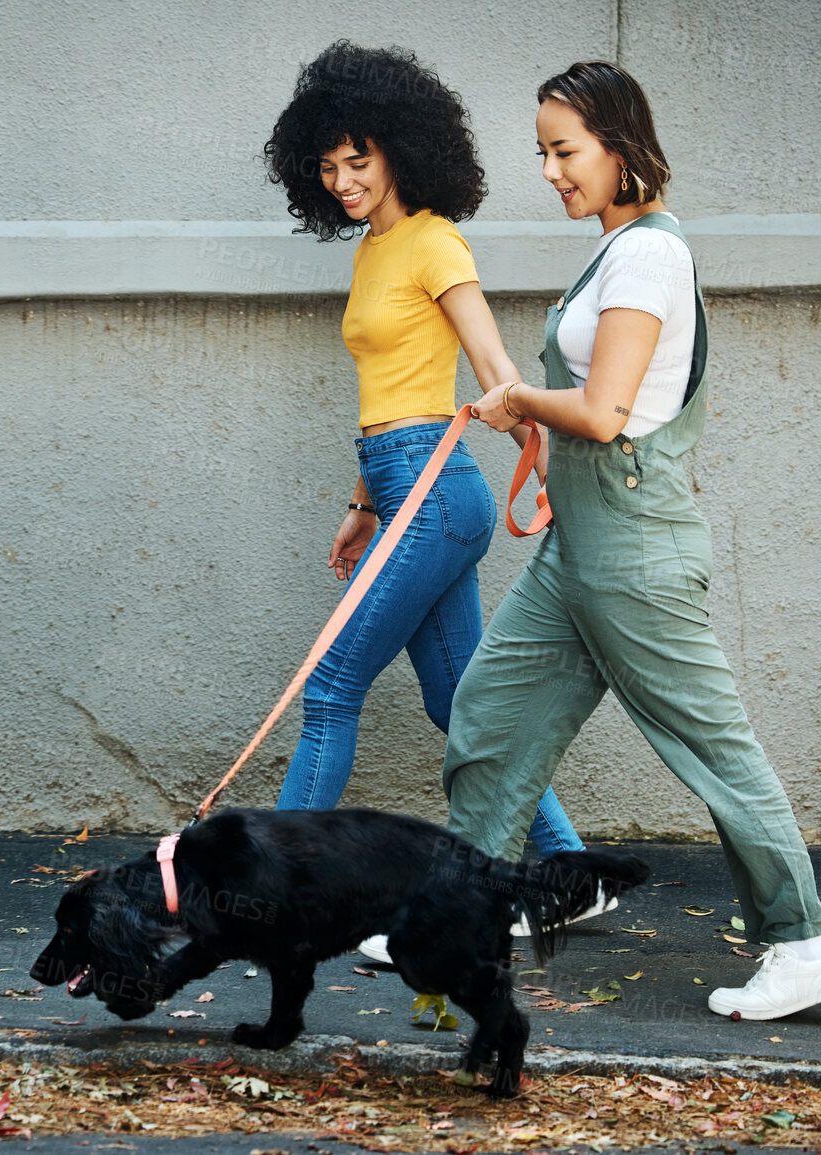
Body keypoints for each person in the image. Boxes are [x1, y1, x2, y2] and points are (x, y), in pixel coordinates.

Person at [454, 60, 821, 1019]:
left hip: (633, 543)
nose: (551, 171)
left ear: (619, 145)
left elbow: (601, 410)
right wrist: (533, 431)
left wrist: (516, 399)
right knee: (491, 712)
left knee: (713, 748)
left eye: (566, 151)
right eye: (543, 154)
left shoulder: (647, 255)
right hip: (579, 542)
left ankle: (801, 943)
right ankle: (462, 911)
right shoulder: (614, 248)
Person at [262, 42, 606, 963]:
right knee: (459, 704)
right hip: (400, 484)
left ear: (401, 150)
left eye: (357, 162)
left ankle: (273, 893)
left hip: (438, 485)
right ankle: (568, 869)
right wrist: (361, 502)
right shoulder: (373, 249)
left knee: (331, 687)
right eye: (326, 168)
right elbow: (388, 387)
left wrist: (525, 427)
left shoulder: (432, 239)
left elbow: (489, 361)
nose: (341, 181)